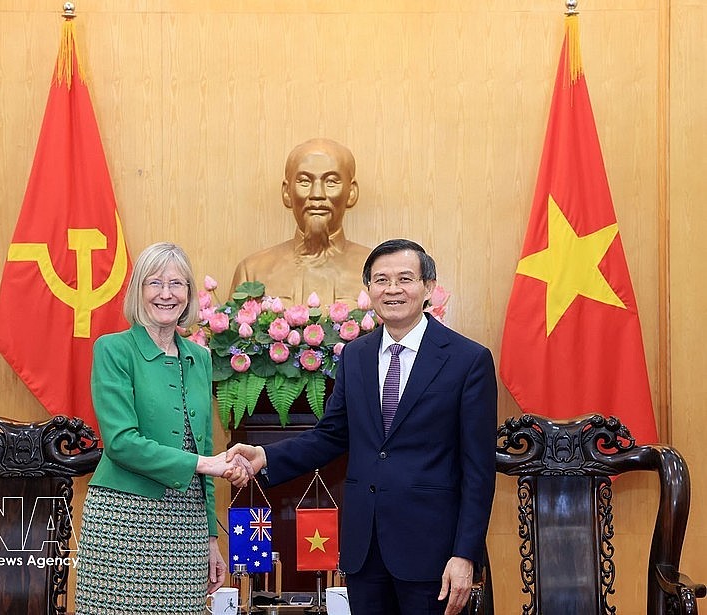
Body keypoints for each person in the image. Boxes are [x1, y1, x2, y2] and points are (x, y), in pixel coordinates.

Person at [227, 239, 497, 615]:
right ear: (369, 289)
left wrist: (464, 554)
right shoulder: (355, 355)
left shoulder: (468, 360)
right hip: (365, 552)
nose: (392, 289)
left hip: (433, 554)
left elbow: (479, 471)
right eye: (381, 280)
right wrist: (264, 456)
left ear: (429, 288)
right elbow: (331, 435)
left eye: (405, 279)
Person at [75, 242, 248, 615]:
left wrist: (211, 538)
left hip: (187, 526)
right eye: (154, 283)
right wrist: (203, 464)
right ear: (138, 290)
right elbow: (120, 443)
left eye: (176, 283)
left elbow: (202, 446)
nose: (166, 294)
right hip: (123, 521)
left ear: (189, 293)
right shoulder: (113, 349)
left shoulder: (200, 357)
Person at [230, 138, 372, 306]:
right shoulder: (252, 271)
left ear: (351, 192)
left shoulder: (377, 271)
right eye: (305, 181)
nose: (317, 194)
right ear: (286, 192)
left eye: (331, 182)